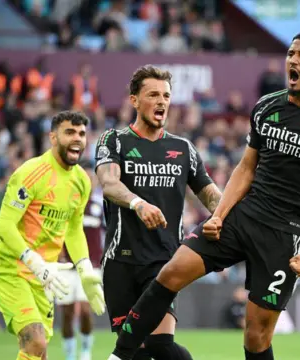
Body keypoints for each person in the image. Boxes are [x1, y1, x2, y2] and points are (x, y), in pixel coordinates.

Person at [108, 31, 300, 360]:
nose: (292, 61)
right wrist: (219, 215)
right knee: (170, 273)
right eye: (290, 54)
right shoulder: (268, 106)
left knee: (255, 337)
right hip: (243, 217)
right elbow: (245, 168)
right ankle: (118, 356)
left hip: (284, 236)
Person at [95, 65, 222, 360]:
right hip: (120, 263)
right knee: (136, 353)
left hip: (163, 261)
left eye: (166, 95)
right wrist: (139, 204)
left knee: (159, 345)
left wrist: (228, 216)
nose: (162, 101)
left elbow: (211, 195)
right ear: (134, 100)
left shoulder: (183, 149)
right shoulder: (114, 141)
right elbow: (109, 184)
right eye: (153, 94)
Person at [0, 111, 105, 360]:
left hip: (45, 278)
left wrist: (84, 269)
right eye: (69, 132)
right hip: (11, 270)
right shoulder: (31, 173)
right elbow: (4, 226)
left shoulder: (82, 182)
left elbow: (73, 230)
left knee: (39, 353)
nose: (77, 139)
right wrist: (34, 261)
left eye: (82, 134)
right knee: (36, 341)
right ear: (53, 137)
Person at [57, 246, 96, 360]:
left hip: (89, 266)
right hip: (65, 268)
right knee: (67, 313)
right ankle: (70, 355)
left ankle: (86, 349)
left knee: (85, 310)